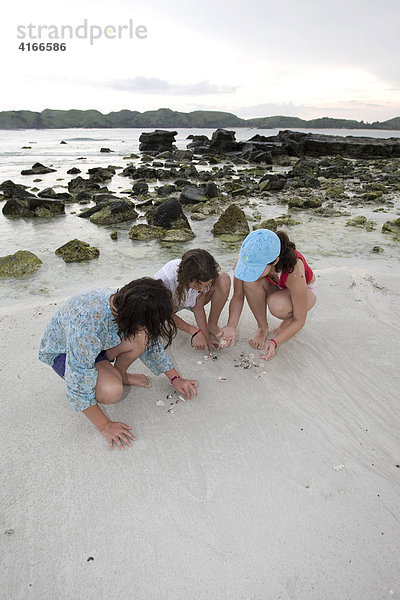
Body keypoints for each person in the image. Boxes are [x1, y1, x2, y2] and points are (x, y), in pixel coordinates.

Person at [39, 278, 197, 450]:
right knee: (111, 391)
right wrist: (105, 426)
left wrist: (175, 378)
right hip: (65, 352)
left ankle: (120, 374)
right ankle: (111, 376)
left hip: (98, 343)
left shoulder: (126, 304)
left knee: (142, 336)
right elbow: (78, 383)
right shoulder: (86, 328)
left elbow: (151, 342)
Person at [217, 229, 317, 360]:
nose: (250, 270)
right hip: (277, 285)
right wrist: (231, 325)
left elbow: (300, 320)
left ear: (275, 261)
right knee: (250, 282)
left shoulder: (295, 271)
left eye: (255, 269)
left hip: (304, 291)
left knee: (277, 305)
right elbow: (238, 296)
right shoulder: (248, 258)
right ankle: (262, 327)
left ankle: (287, 319)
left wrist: (275, 342)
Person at [154, 249, 231, 355]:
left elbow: (198, 307)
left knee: (223, 278)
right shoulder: (165, 279)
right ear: (186, 278)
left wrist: (206, 337)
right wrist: (194, 331)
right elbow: (166, 313)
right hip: (168, 304)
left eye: (206, 285)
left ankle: (212, 325)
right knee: (157, 316)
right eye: (197, 286)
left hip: (189, 301)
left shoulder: (204, 279)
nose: (203, 290)